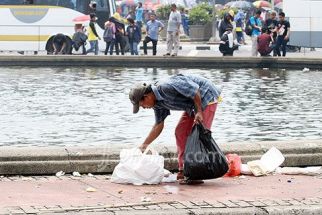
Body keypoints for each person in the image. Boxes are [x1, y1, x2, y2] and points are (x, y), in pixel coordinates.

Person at [129, 74, 222, 184]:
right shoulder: (157, 104)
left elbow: (195, 90)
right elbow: (158, 125)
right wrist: (144, 145)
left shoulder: (167, 86)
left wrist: (199, 112)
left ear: (147, 96)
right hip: (192, 104)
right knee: (180, 132)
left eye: (142, 105)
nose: (144, 108)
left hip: (206, 95)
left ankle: (197, 173)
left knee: (199, 136)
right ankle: (184, 170)